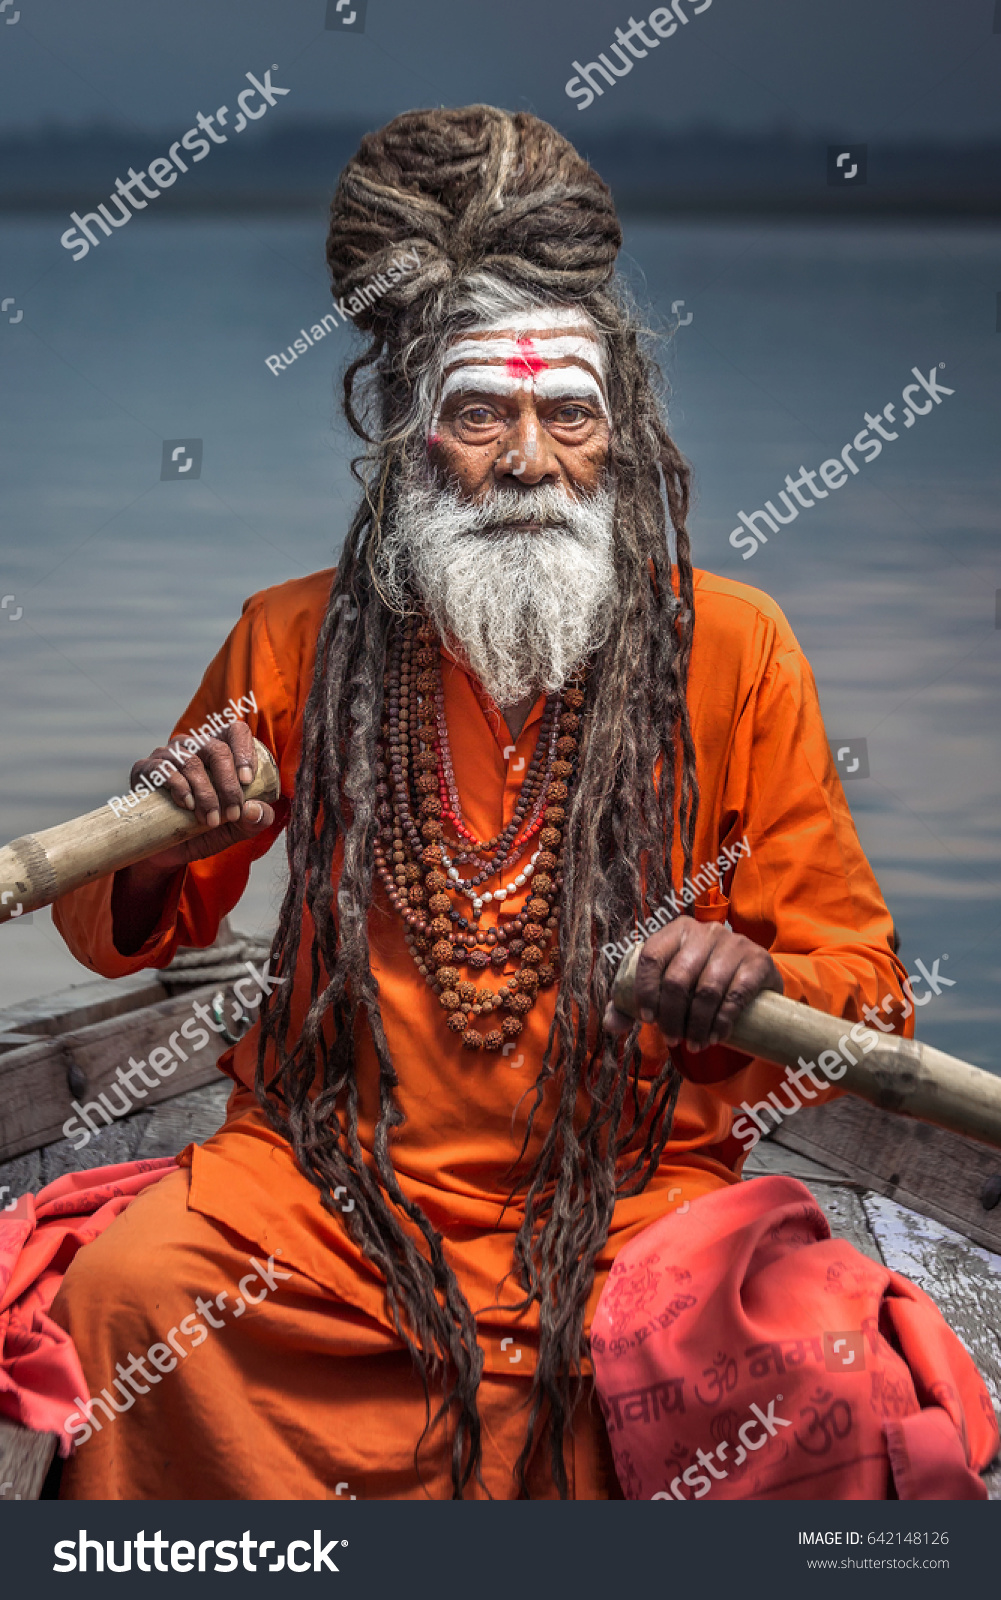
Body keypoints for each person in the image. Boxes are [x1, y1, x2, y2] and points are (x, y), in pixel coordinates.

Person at [50, 105, 908, 1501]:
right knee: (134, 1298)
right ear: (409, 439)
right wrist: (169, 836)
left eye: (566, 413)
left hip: (641, 1207)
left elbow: (867, 997)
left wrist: (748, 975)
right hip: (326, 1197)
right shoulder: (294, 636)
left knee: (827, 1364)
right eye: (478, 414)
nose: (525, 457)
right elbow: (105, 929)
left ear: (614, 433)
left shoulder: (735, 645)